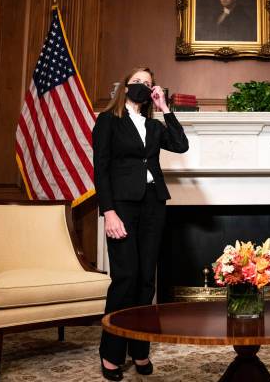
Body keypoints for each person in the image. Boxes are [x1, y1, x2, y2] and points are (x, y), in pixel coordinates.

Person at [94, 67, 189, 381]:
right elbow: (101, 169)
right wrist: (108, 212)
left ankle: (139, 349)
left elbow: (181, 145)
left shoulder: (153, 124)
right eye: (137, 82)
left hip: (153, 204)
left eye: (148, 84)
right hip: (121, 205)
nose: (142, 87)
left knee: (147, 279)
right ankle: (111, 354)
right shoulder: (108, 121)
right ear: (124, 86)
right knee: (126, 277)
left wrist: (165, 108)